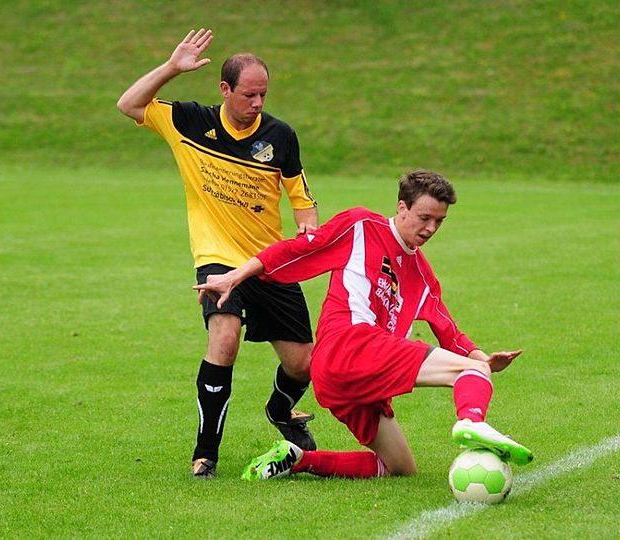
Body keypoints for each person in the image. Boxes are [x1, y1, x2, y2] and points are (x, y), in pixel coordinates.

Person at [196, 170, 534, 480]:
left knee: (400, 468)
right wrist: (235, 277)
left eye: (439, 221)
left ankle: (298, 459)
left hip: (354, 380)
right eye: (424, 217)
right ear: (402, 207)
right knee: (471, 375)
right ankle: (472, 423)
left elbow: (448, 330)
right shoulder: (361, 226)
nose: (430, 228)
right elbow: (296, 249)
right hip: (348, 346)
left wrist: (480, 356)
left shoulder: (423, 276)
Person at [116, 28, 320, 479]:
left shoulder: (280, 136)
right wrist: (171, 68)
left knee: (304, 364)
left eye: (264, 94)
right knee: (223, 341)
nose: (258, 103)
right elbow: (128, 104)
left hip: (271, 262)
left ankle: (281, 411)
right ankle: (205, 453)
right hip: (218, 259)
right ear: (224, 89)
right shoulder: (189, 122)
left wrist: (308, 221)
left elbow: (302, 197)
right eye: (249, 94)